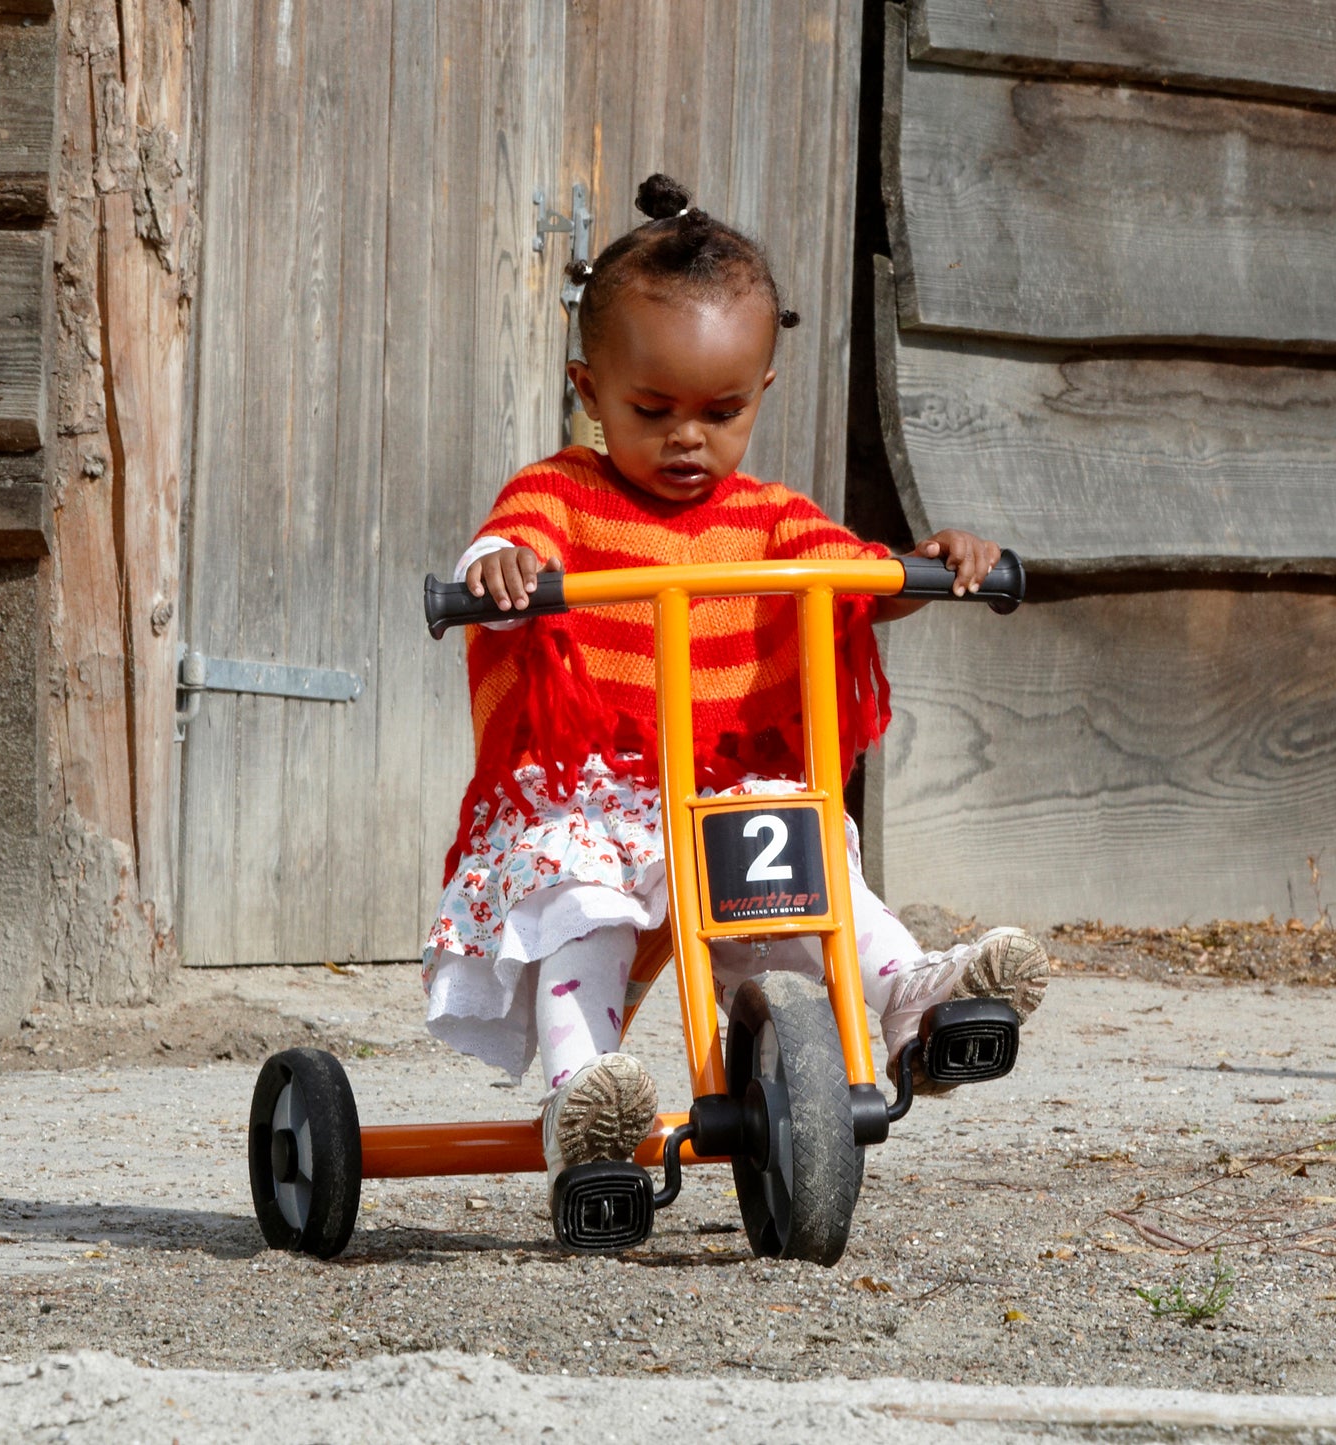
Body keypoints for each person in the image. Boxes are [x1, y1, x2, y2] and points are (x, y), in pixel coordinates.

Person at [423, 174, 1048, 1195]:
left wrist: (927, 564)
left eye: (718, 411)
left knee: (808, 864)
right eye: (651, 408)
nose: (685, 437)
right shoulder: (563, 490)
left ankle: (907, 998)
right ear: (588, 392)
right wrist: (498, 566)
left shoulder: (769, 514)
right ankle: (585, 1095)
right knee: (582, 906)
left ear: (758, 391)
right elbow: (516, 538)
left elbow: (854, 580)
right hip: (604, 792)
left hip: (719, 787)